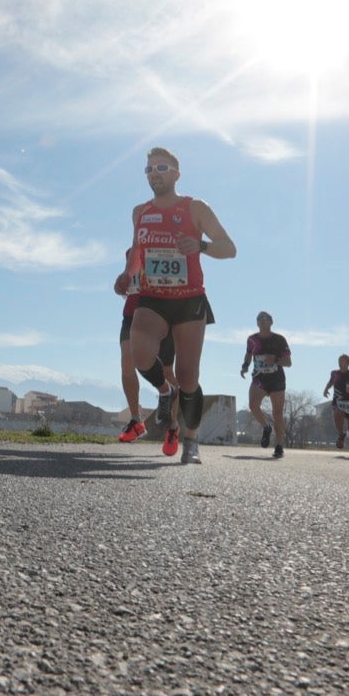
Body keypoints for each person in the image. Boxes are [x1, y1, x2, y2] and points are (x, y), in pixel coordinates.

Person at [124, 147, 238, 465]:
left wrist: (200, 245)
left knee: (188, 375)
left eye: (161, 167)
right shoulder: (140, 212)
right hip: (152, 297)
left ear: (176, 173)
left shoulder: (195, 207)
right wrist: (126, 274)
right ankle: (164, 390)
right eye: (148, 170)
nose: (154, 174)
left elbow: (230, 248)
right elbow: (137, 251)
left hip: (189, 299)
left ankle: (191, 440)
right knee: (140, 354)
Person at [114, 255, 181, 447]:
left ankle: (172, 427)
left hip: (161, 314)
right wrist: (120, 285)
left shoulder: (167, 246)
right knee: (127, 362)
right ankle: (136, 421)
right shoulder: (130, 253)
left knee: (167, 371)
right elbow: (125, 282)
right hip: (132, 314)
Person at [240, 311, 292, 459]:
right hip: (259, 378)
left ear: (271, 321)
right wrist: (245, 366)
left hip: (276, 379)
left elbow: (288, 363)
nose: (261, 321)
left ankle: (279, 446)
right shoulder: (252, 339)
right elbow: (249, 354)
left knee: (278, 414)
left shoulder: (280, 339)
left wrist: (275, 360)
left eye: (265, 318)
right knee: (253, 405)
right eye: (258, 319)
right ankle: (266, 427)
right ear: (257, 323)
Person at [324, 354, 349, 459]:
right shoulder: (334, 373)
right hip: (338, 402)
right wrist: (326, 389)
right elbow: (330, 382)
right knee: (336, 415)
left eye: (343, 361)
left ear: (348, 363)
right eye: (339, 360)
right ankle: (341, 434)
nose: (340, 362)